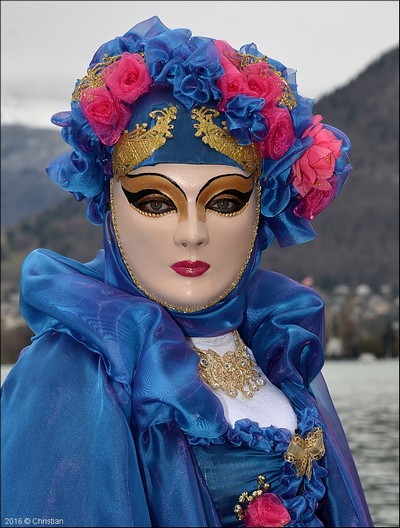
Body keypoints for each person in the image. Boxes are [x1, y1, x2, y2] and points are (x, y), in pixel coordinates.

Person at [1, 16, 373, 528]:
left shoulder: (274, 339)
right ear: (109, 203)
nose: (192, 233)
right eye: (156, 201)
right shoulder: (72, 372)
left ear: (262, 206)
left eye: (225, 201)